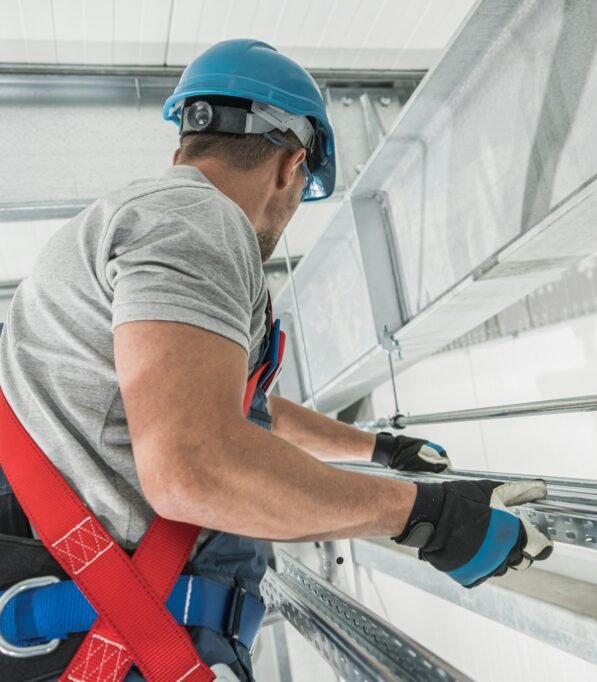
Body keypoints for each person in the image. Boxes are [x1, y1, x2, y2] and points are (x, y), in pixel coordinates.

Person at [0, 39, 552, 681]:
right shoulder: (198, 220)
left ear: (183, 143)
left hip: (102, 639)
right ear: (291, 166)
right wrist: (423, 517)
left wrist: (379, 450)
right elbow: (195, 466)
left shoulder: (139, 227)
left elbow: (241, 413)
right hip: (125, 643)